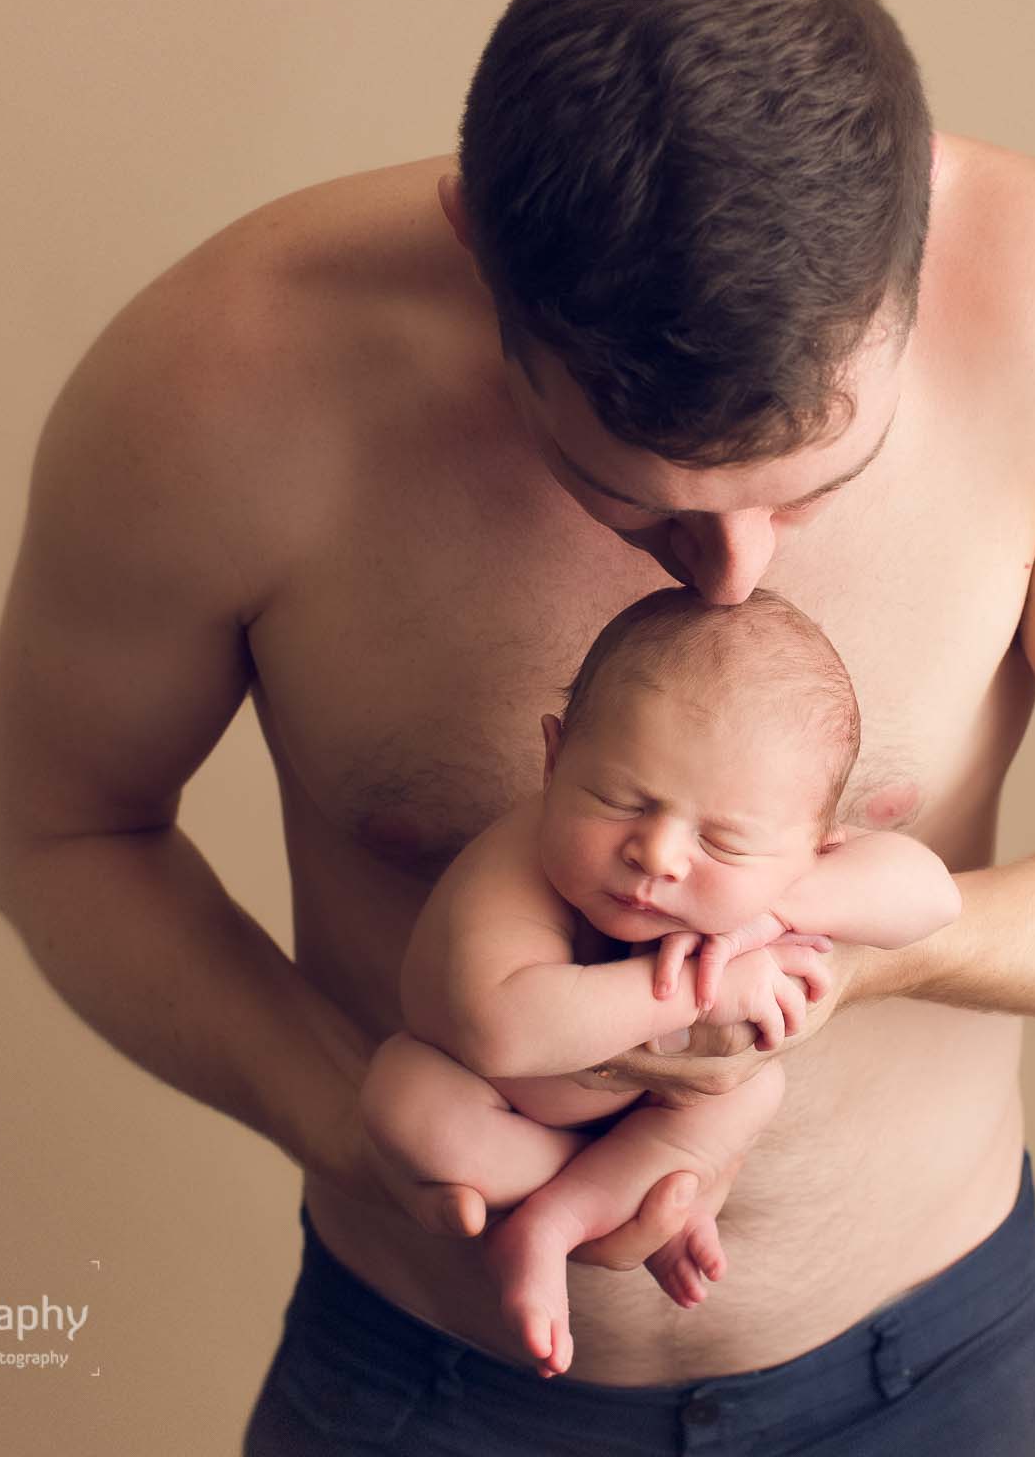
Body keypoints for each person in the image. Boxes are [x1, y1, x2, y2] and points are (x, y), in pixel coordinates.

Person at [0, 0, 1035, 1456]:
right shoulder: (227, 384)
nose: (735, 576)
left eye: (812, 487)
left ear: (911, 252)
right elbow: (66, 838)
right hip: (422, 1386)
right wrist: (345, 1120)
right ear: (483, 256)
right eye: (628, 497)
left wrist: (852, 966)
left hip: (935, 1380)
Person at [361, 587, 961, 1380]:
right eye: (619, 800)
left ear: (817, 843)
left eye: (725, 842)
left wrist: (770, 912)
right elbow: (502, 1028)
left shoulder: (775, 879)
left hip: (648, 1118)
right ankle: (592, 1197)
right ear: (553, 759)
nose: (659, 855)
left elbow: (934, 897)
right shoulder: (516, 860)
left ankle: (556, 1223)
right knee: (404, 1106)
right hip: (495, 1100)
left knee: (749, 1095)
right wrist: (699, 992)